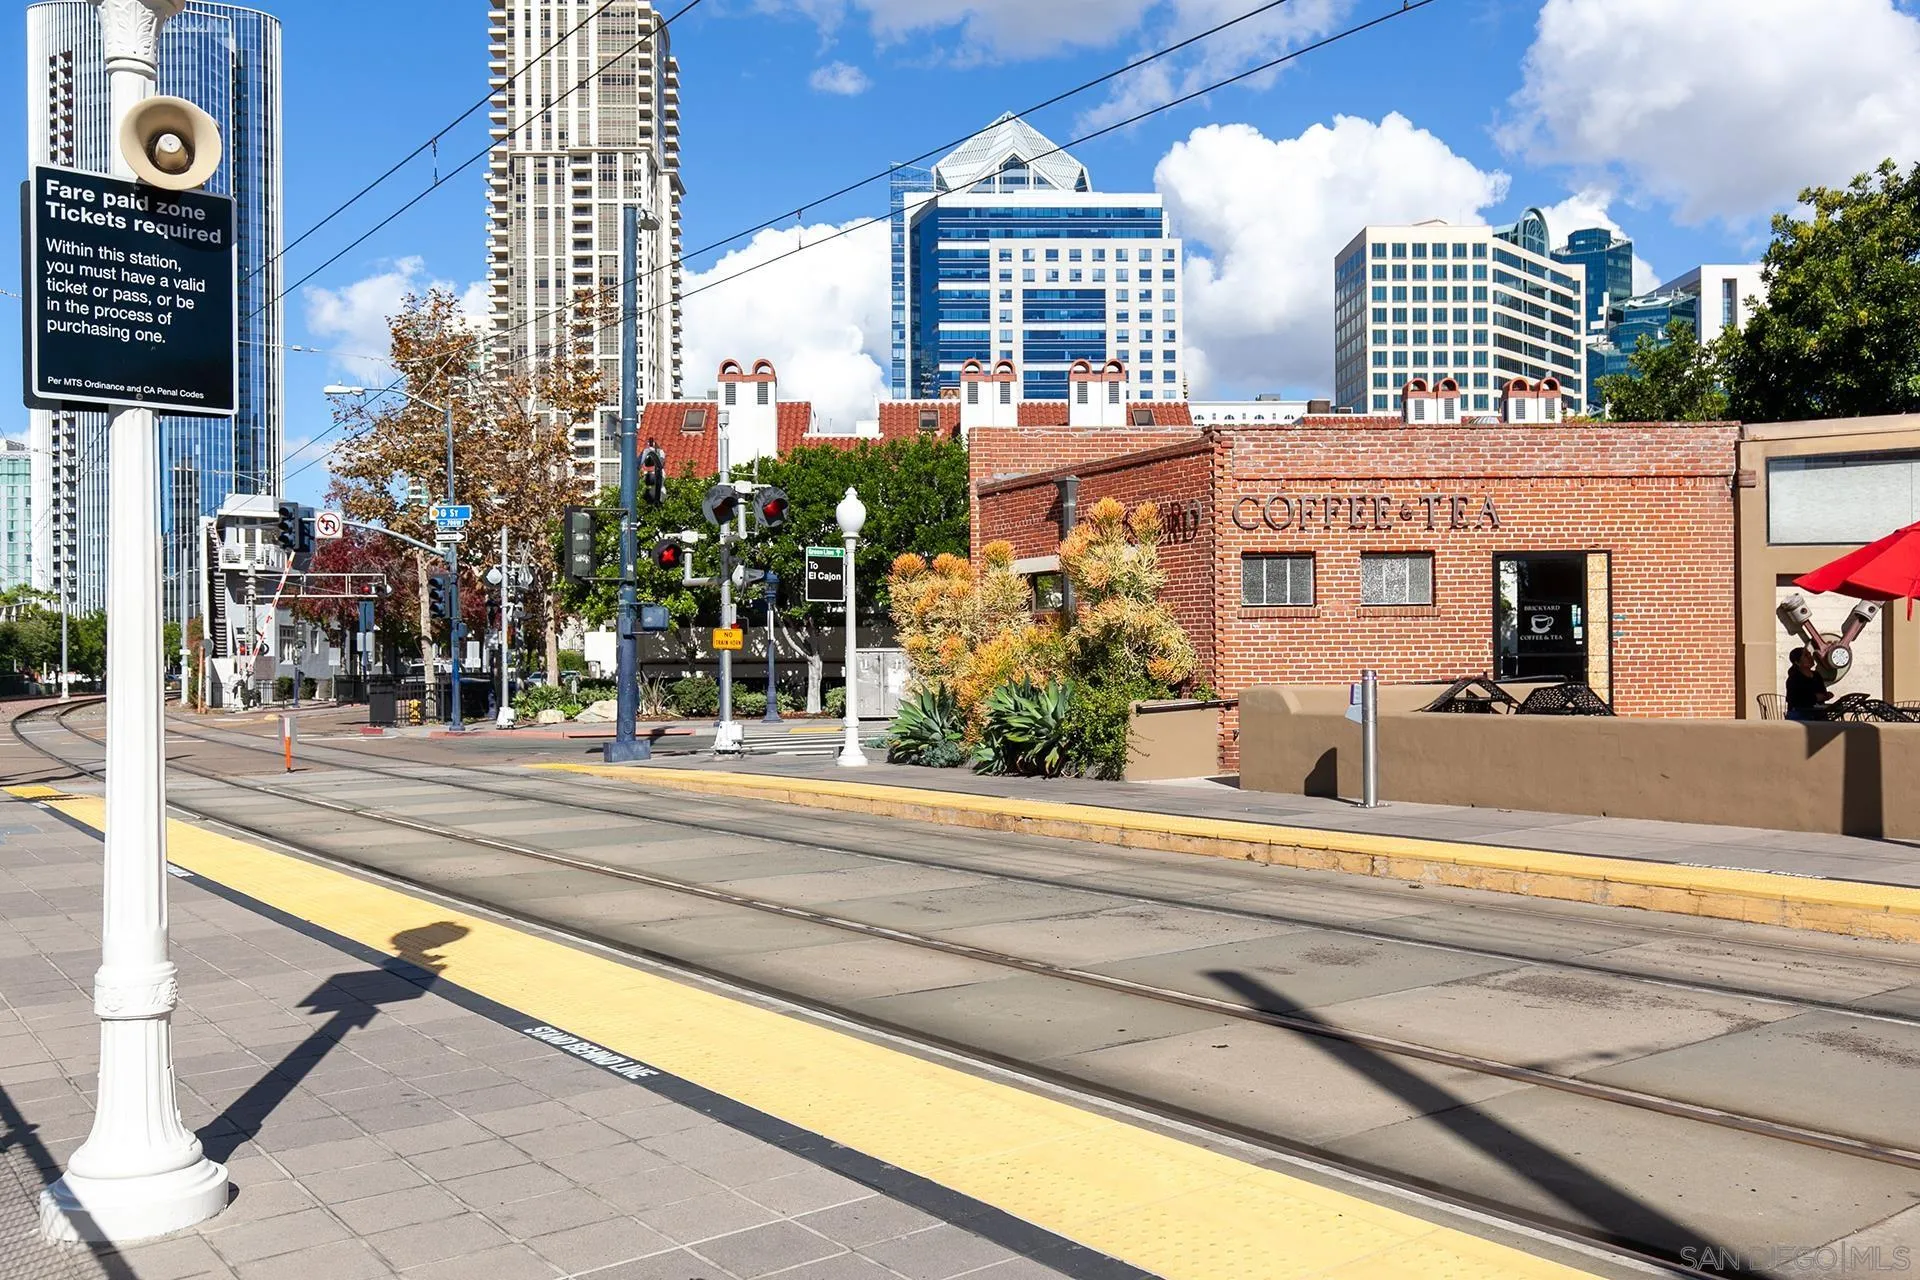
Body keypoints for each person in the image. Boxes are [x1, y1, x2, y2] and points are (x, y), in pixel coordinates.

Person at [1785, 646, 1832, 721]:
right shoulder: (1794, 679)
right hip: (1800, 714)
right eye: (1806, 655)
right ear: (1797, 662)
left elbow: (1822, 692)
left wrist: (1826, 695)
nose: (1810, 657)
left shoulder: (1817, 675)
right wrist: (1814, 698)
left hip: (1817, 712)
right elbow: (1794, 700)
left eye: (1810, 654)